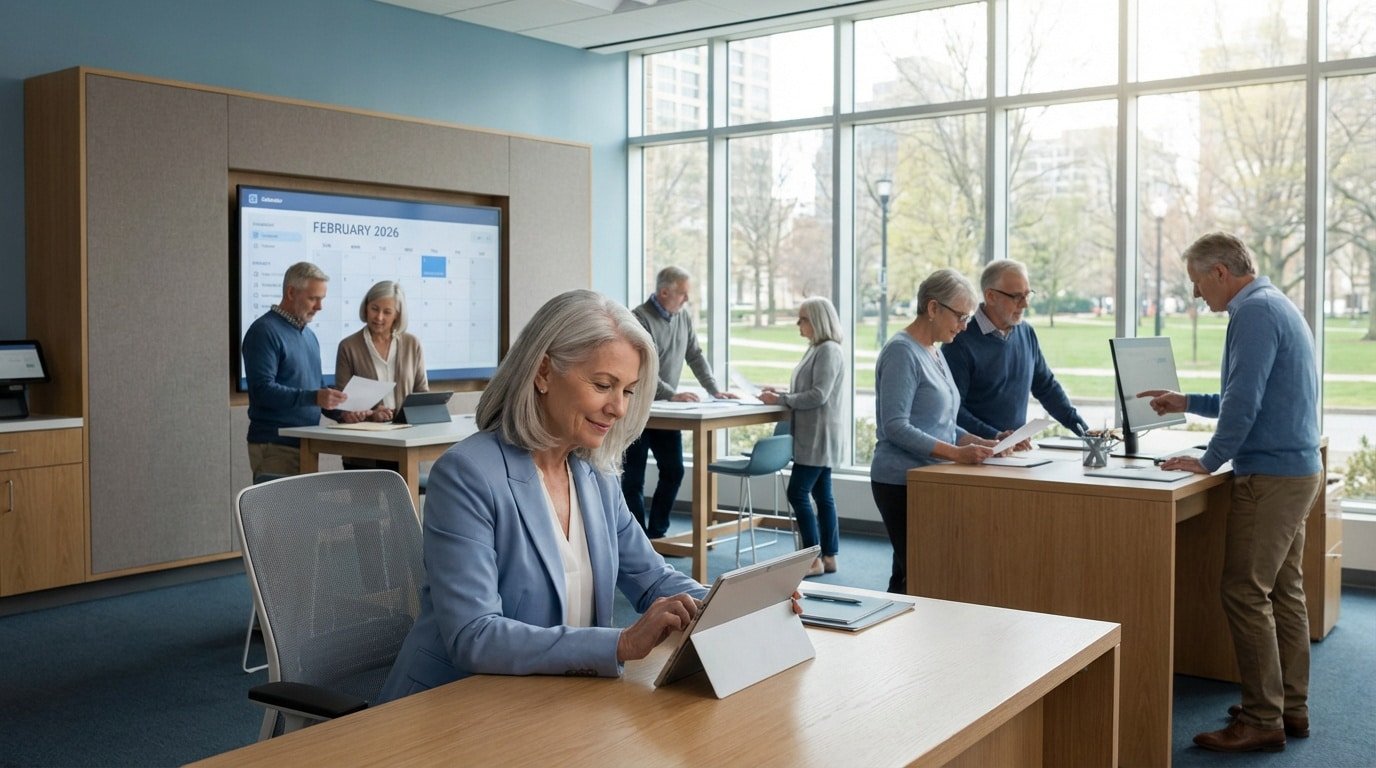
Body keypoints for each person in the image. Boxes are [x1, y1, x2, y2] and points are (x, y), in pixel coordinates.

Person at [376, 290, 715, 702]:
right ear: (542, 373)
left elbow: (654, 581)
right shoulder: (467, 475)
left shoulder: (595, 474)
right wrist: (620, 644)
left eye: (627, 391)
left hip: (553, 703)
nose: (618, 409)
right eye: (603, 385)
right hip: (452, 711)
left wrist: (735, 602)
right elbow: (474, 635)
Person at [1139, 232, 1322, 754]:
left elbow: (1243, 403)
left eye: (1198, 282)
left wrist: (1207, 460)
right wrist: (1188, 400)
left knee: (1244, 591)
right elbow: (1250, 394)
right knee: (1282, 592)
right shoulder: (1273, 304)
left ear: (1221, 273)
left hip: (1271, 480)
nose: (1197, 295)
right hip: (1295, 471)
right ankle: (1289, 706)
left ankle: (1264, 718)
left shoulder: (1254, 314)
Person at [870, 268, 997, 594]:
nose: (965, 325)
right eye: (960, 315)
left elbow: (938, 423)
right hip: (900, 481)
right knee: (915, 573)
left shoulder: (934, 350)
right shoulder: (902, 351)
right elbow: (895, 426)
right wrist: (957, 454)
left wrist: (981, 442)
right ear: (932, 308)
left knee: (919, 571)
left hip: (930, 480)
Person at [621, 266, 738, 539]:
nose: (687, 300)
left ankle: (657, 535)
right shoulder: (639, 318)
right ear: (664, 292)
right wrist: (671, 393)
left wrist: (715, 390)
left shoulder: (682, 317)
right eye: (683, 294)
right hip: (638, 412)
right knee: (633, 480)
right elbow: (642, 367)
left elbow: (694, 355)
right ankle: (637, 542)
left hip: (666, 413)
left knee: (673, 471)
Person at [942, 259, 1088, 443]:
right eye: (1017, 297)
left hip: (1014, 455)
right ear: (991, 296)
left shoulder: (1026, 332)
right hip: (974, 456)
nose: (1025, 304)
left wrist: (1084, 431)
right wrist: (995, 437)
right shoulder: (959, 341)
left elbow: (1046, 388)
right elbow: (952, 410)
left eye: (1028, 295)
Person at [760, 297, 845, 577]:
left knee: (797, 491)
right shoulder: (816, 349)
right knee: (822, 495)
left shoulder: (828, 350)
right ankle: (828, 556)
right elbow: (810, 388)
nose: (798, 324)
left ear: (817, 320)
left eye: (802, 319)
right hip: (815, 434)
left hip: (818, 435)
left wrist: (783, 398)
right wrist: (782, 392)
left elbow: (819, 395)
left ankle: (813, 557)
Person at [242, 261, 347, 478]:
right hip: (275, 445)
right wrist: (315, 396)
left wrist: (344, 412)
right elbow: (262, 391)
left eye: (322, 299)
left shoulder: (309, 336)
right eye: (313, 298)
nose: (319, 306)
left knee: (302, 513)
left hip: (306, 445)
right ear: (291, 292)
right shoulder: (264, 332)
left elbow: (313, 390)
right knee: (279, 513)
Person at [335, 280, 429, 424]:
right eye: (374, 308)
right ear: (366, 307)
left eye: (387, 312)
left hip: (406, 428)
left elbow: (422, 394)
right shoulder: (348, 347)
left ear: (397, 315)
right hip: (366, 433)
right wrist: (372, 414)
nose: (379, 317)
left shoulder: (412, 344)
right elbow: (343, 405)